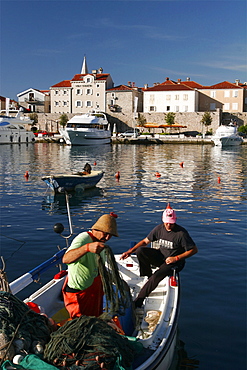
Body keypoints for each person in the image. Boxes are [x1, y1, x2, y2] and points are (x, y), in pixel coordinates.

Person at [120, 203, 198, 308]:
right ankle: (147, 275)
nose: (169, 225)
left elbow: (193, 250)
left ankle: (139, 301)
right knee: (140, 251)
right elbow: (145, 241)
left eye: (171, 223)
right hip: (162, 257)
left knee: (157, 275)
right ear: (163, 219)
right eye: (167, 223)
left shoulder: (181, 233)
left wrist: (176, 258)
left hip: (174, 262)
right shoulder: (159, 229)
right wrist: (130, 251)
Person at [62, 213, 119, 318]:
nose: (107, 238)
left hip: (94, 291)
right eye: (105, 233)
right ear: (96, 229)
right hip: (79, 293)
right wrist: (86, 248)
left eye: (110, 235)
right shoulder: (84, 238)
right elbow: (66, 259)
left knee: (95, 320)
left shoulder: (100, 243)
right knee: (81, 325)